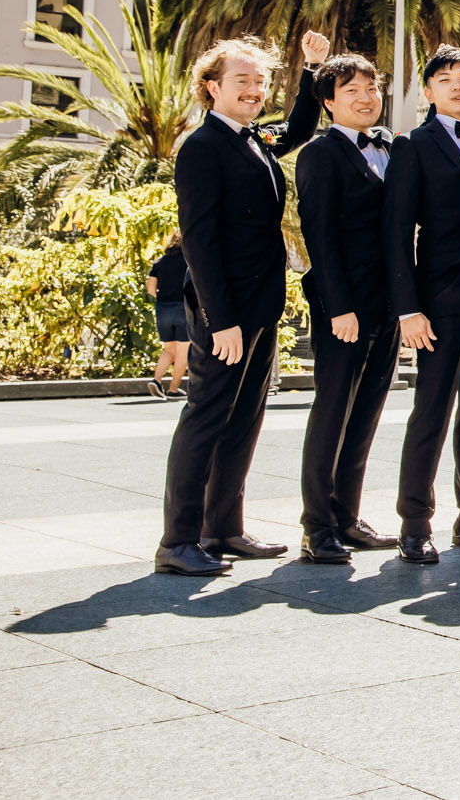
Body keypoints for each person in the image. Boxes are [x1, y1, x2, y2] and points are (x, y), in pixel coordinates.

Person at [154, 31, 325, 577]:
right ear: (212, 87)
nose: (255, 90)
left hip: (260, 305)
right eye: (242, 80)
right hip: (225, 312)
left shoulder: (252, 138)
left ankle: (222, 528)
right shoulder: (203, 147)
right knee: (207, 417)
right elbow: (199, 241)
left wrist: (310, 70)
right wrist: (219, 320)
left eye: (261, 81)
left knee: (245, 417)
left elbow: (299, 127)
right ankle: (178, 541)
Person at [384, 46, 460, 564]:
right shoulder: (413, 146)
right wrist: (408, 309)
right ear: (428, 91)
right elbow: (395, 232)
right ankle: (415, 522)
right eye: (445, 79)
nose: (458, 86)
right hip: (439, 304)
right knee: (430, 412)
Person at [293, 54, 401, 565]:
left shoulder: (391, 149)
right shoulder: (321, 153)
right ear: (329, 101)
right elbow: (320, 234)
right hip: (345, 309)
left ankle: (347, 516)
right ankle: (317, 527)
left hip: (388, 306)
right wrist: (338, 307)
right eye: (351, 89)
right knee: (333, 413)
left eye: (371, 87)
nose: (365, 97)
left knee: (366, 415)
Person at [147, 232, 189, 398]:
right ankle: (173, 389)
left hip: (163, 308)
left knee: (169, 350)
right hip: (183, 308)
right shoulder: (188, 262)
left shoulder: (159, 262)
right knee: (183, 352)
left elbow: (151, 289)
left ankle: (156, 380)